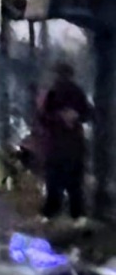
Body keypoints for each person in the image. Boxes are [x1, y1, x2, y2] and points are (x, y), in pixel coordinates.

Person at [38, 62, 93, 225]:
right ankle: (61, 213)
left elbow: (86, 113)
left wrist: (73, 117)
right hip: (64, 144)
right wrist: (63, 118)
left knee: (66, 181)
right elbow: (44, 117)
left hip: (63, 145)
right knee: (62, 181)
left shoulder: (64, 93)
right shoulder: (58, 93)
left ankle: (65, 213)